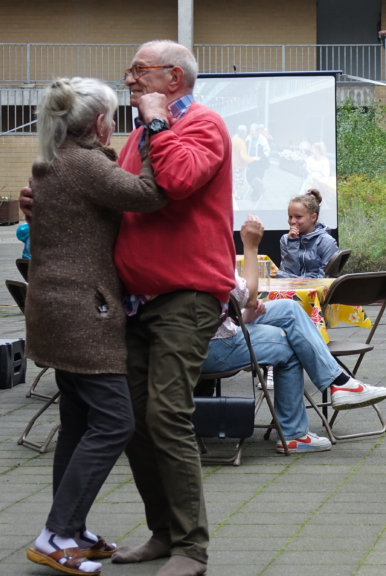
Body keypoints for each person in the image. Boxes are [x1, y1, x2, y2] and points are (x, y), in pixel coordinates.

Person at [23, 77, 168, 576]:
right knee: (115, 422)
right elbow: (151, 193)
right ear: (100, 123)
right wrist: (155, 125)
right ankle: (55, 534)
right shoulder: (85, 164)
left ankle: (74, 527)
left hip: (55, 310)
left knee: (79, 423)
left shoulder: (52, 160)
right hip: (84, 314)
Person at [112, 40, 234, 576]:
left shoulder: (203, 125)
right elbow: (123, 198)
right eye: (132, 70)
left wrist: (159, 123)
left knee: (165, 415)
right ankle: (162, 533)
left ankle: (191, 548)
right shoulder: (138, 136)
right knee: (133, 420)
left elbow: (179, 181)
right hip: (137, 298)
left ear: (174, 79)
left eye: (141, 71)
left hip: (187, 293)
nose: (130, 79)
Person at [203, 215, 386, 452]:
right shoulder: (206, 250)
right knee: (291, 346)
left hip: (186, 337)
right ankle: (294, 434)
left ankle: (340, 384)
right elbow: (248, 296)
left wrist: (247, 313)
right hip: (214, 345)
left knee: (290, 308)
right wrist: (250, 246)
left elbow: (235, 305)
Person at [275, 190, 339, 278]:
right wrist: (292, 243)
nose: (292, 221)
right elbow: (288, 272)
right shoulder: (286, 240)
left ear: (313, 217)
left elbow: (325, 279)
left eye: (298, 217)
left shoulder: (326, 242)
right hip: (291, 290)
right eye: (290, 217)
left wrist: (295, 280)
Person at [245, 123, 270, 199]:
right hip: (251, 162)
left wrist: (261, 158)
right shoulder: (248, 138)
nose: (251, 132)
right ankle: (255, 191)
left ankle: (256, 194)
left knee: (257, 179)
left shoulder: (263, 139)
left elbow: (267, 151)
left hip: (259, 164)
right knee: (249, 177)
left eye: (252, 131)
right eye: (250, 130)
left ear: (257, 131)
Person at [231, 125, 253, 200]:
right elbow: (243, 156)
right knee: (238, 180)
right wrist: (253, 159)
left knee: (234, 179)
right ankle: (236, 195)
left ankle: (233, 192)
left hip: (233, 163)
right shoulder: (241, 143)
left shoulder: (234, 138)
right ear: (243, 133)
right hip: (238, 165)